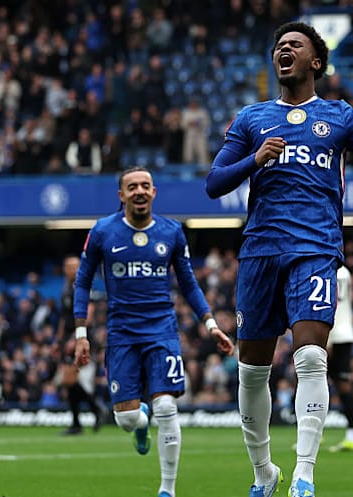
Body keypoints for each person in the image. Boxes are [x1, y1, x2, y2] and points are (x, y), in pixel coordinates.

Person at [204, 21, 353, 497]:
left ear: (315, 61)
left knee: (312, 357)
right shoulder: (252, 117)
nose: (283, 51)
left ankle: (303, 475)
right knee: (251, 370)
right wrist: (254, 160)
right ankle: (263, 474)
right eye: (278, 47)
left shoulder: (340, 115)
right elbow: (214, 183)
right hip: (259, 251)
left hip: (316, 249)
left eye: (293, 46)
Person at [74, 166, 235, 497]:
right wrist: (80, 333)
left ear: (154, 192)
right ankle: (140, 421)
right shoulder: (103, 231)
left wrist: (211, 324)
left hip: (161, 329)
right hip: (121, 334)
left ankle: (167, 489)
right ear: (121, 195)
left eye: (145, 185)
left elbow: (188, 283)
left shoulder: (172, 231)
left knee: (167, 407)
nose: (139, 191)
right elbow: (83, 281)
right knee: (127, 420)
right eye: (132, 187)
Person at [58, 255, 103, 435]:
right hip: (68, 336)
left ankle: (90, 413)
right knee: (69, 382)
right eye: (68, 266)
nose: (71, 270)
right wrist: (58, 340)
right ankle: (84, 417)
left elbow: (89, 312)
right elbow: (64, 317)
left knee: (69, 379)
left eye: (74, 266)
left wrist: (77, 337)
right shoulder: (65, 289)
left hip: (78, 336)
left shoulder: (82, 286)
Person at [327, 264, 353, 452]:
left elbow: (331, 305)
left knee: (319, 381)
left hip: (334, 333)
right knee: (339, 383)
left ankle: (352, 434)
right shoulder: (345, 271)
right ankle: (352, 434)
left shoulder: (327, 269)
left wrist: (329, 339)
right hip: (345, 332)